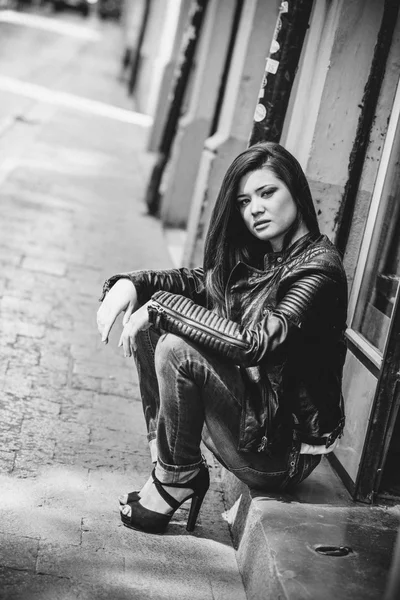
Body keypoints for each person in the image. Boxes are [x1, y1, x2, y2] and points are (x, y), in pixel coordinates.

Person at [96, 142, 347, 535]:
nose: (255, 209)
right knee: (153, 321)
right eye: (245, 201)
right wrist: (135, 284)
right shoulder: (264, 254)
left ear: (296, 191)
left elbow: (255, 344)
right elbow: (200, 282)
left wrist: (162, 309)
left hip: (282, 454)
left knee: (176, 344)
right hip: (255, 416)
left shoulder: (319, 270)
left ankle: (175, 477)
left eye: (267, 193)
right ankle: (170, 468)